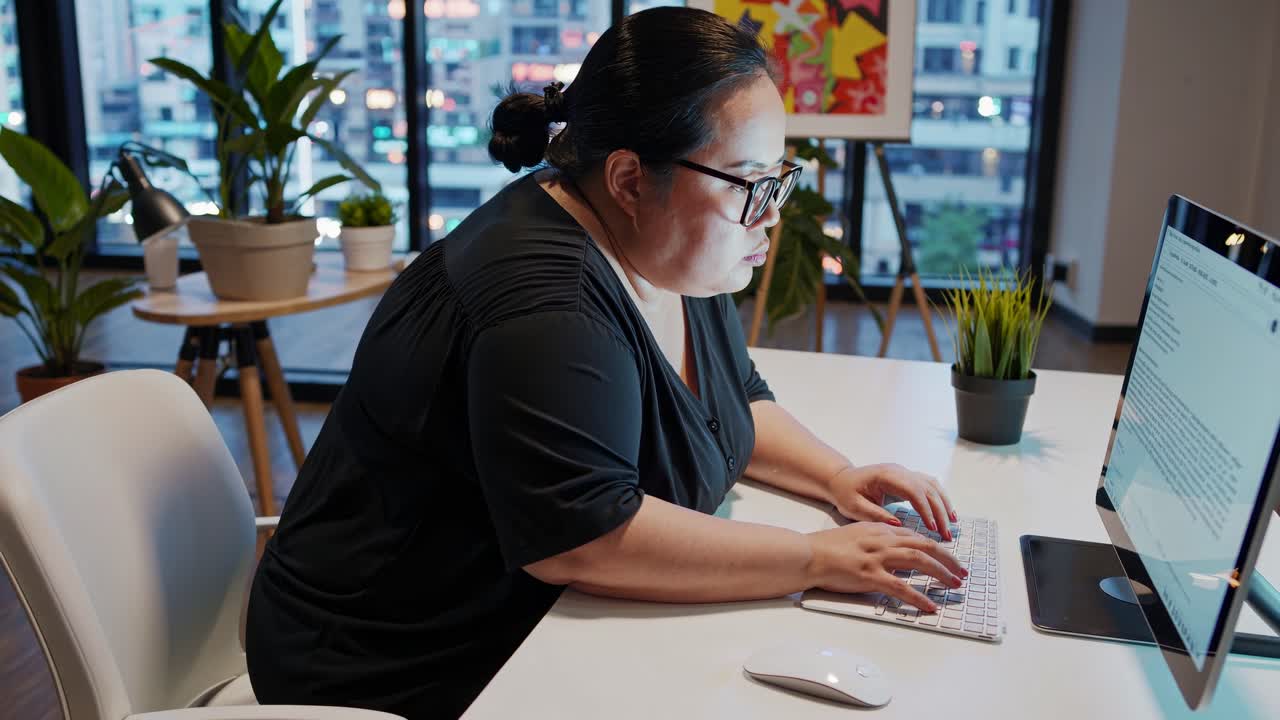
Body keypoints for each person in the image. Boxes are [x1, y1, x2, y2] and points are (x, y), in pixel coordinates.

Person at [245, 7, 964, 719]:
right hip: (391, 661)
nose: (770, 213)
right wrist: (815, 558)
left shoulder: (667, 244)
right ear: (628, 180)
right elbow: (585, 538)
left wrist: (836, 478)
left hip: (532, 623)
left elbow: (731, 397)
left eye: (777, 179)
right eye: (748, 183)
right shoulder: (548, 306)